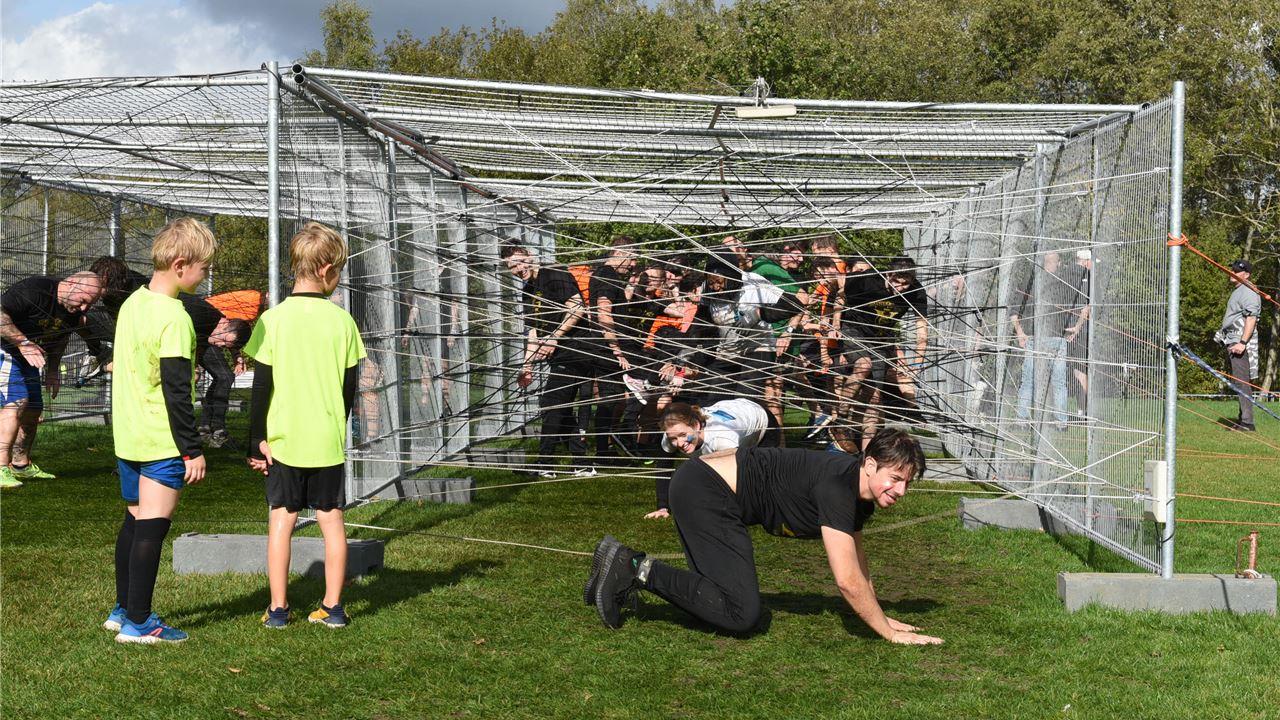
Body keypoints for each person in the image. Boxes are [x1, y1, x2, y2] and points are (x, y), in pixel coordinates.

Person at [583, 429, 941, 644]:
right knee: (741, 613)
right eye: (895, 479)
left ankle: (617, 566)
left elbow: (857, 562)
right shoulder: (838, 489)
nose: (901, 490)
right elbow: (847, 580)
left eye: (907, 483)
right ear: (870, 464)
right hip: (705, 491)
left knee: (718, 601)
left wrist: (880, 616)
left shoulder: (859, 494)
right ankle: (631, 566)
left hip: (708, 489)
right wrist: (889, 634)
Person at [245, 221, 366, 629]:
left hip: (284, 442)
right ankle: (333, 608)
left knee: (282, 520)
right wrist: (335, 426)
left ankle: (278, 609)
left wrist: (256, 441)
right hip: (326, 442)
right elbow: (349, 389)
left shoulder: (273, 319)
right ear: (327, 269)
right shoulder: (343, 322)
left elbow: (261, 388)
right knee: (332, 520)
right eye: (340, 271)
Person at [104, 218, 216, 643]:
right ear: (181, 265)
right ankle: (139, 622)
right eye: (204, 268)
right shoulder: (175, 317)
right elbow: (176, 391)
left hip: (128, 435)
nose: (205, 277)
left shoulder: (133, 303)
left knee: (134, 521)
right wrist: (192, 449)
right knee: (152, 527)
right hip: (160, 439)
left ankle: (122, 610)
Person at [0, 270, 105, 488]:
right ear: (72, 283)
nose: (84, 308)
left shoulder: (72, 311)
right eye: (83, 300)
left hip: (29, 355)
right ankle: (1, 467)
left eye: (90, 304)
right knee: (16, 402)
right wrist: (22, 342)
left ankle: (20, 464)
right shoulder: (34, 290)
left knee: (34, 409)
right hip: (6, 349)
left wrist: (53, 370)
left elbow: (61, 338)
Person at [501, 243, 593, 477]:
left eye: (520, 262)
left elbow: (577, 308)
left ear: (530, 256)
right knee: (558, 405)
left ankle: (545, 464)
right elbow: (533, 332)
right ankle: (581, 463)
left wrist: (554, 337)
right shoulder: (528, 290)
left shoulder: (553, 273)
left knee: (551, 403)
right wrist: (527, 366)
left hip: (577, 349)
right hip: (559, 353)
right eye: (511, 267)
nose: (518, 269)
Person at [1215, 259, 1262, 432]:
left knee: (1242, 382)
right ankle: (1243, 420)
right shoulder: (1239, 290)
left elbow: (1251, 318)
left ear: (1246, 274)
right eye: (1232, 269)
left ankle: (1247, 423)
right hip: (1232, 339)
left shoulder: (1248, 292)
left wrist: (1242, 343)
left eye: (1237, 271)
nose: (1232, 272)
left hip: (1239, 342)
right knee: (1239, 381)